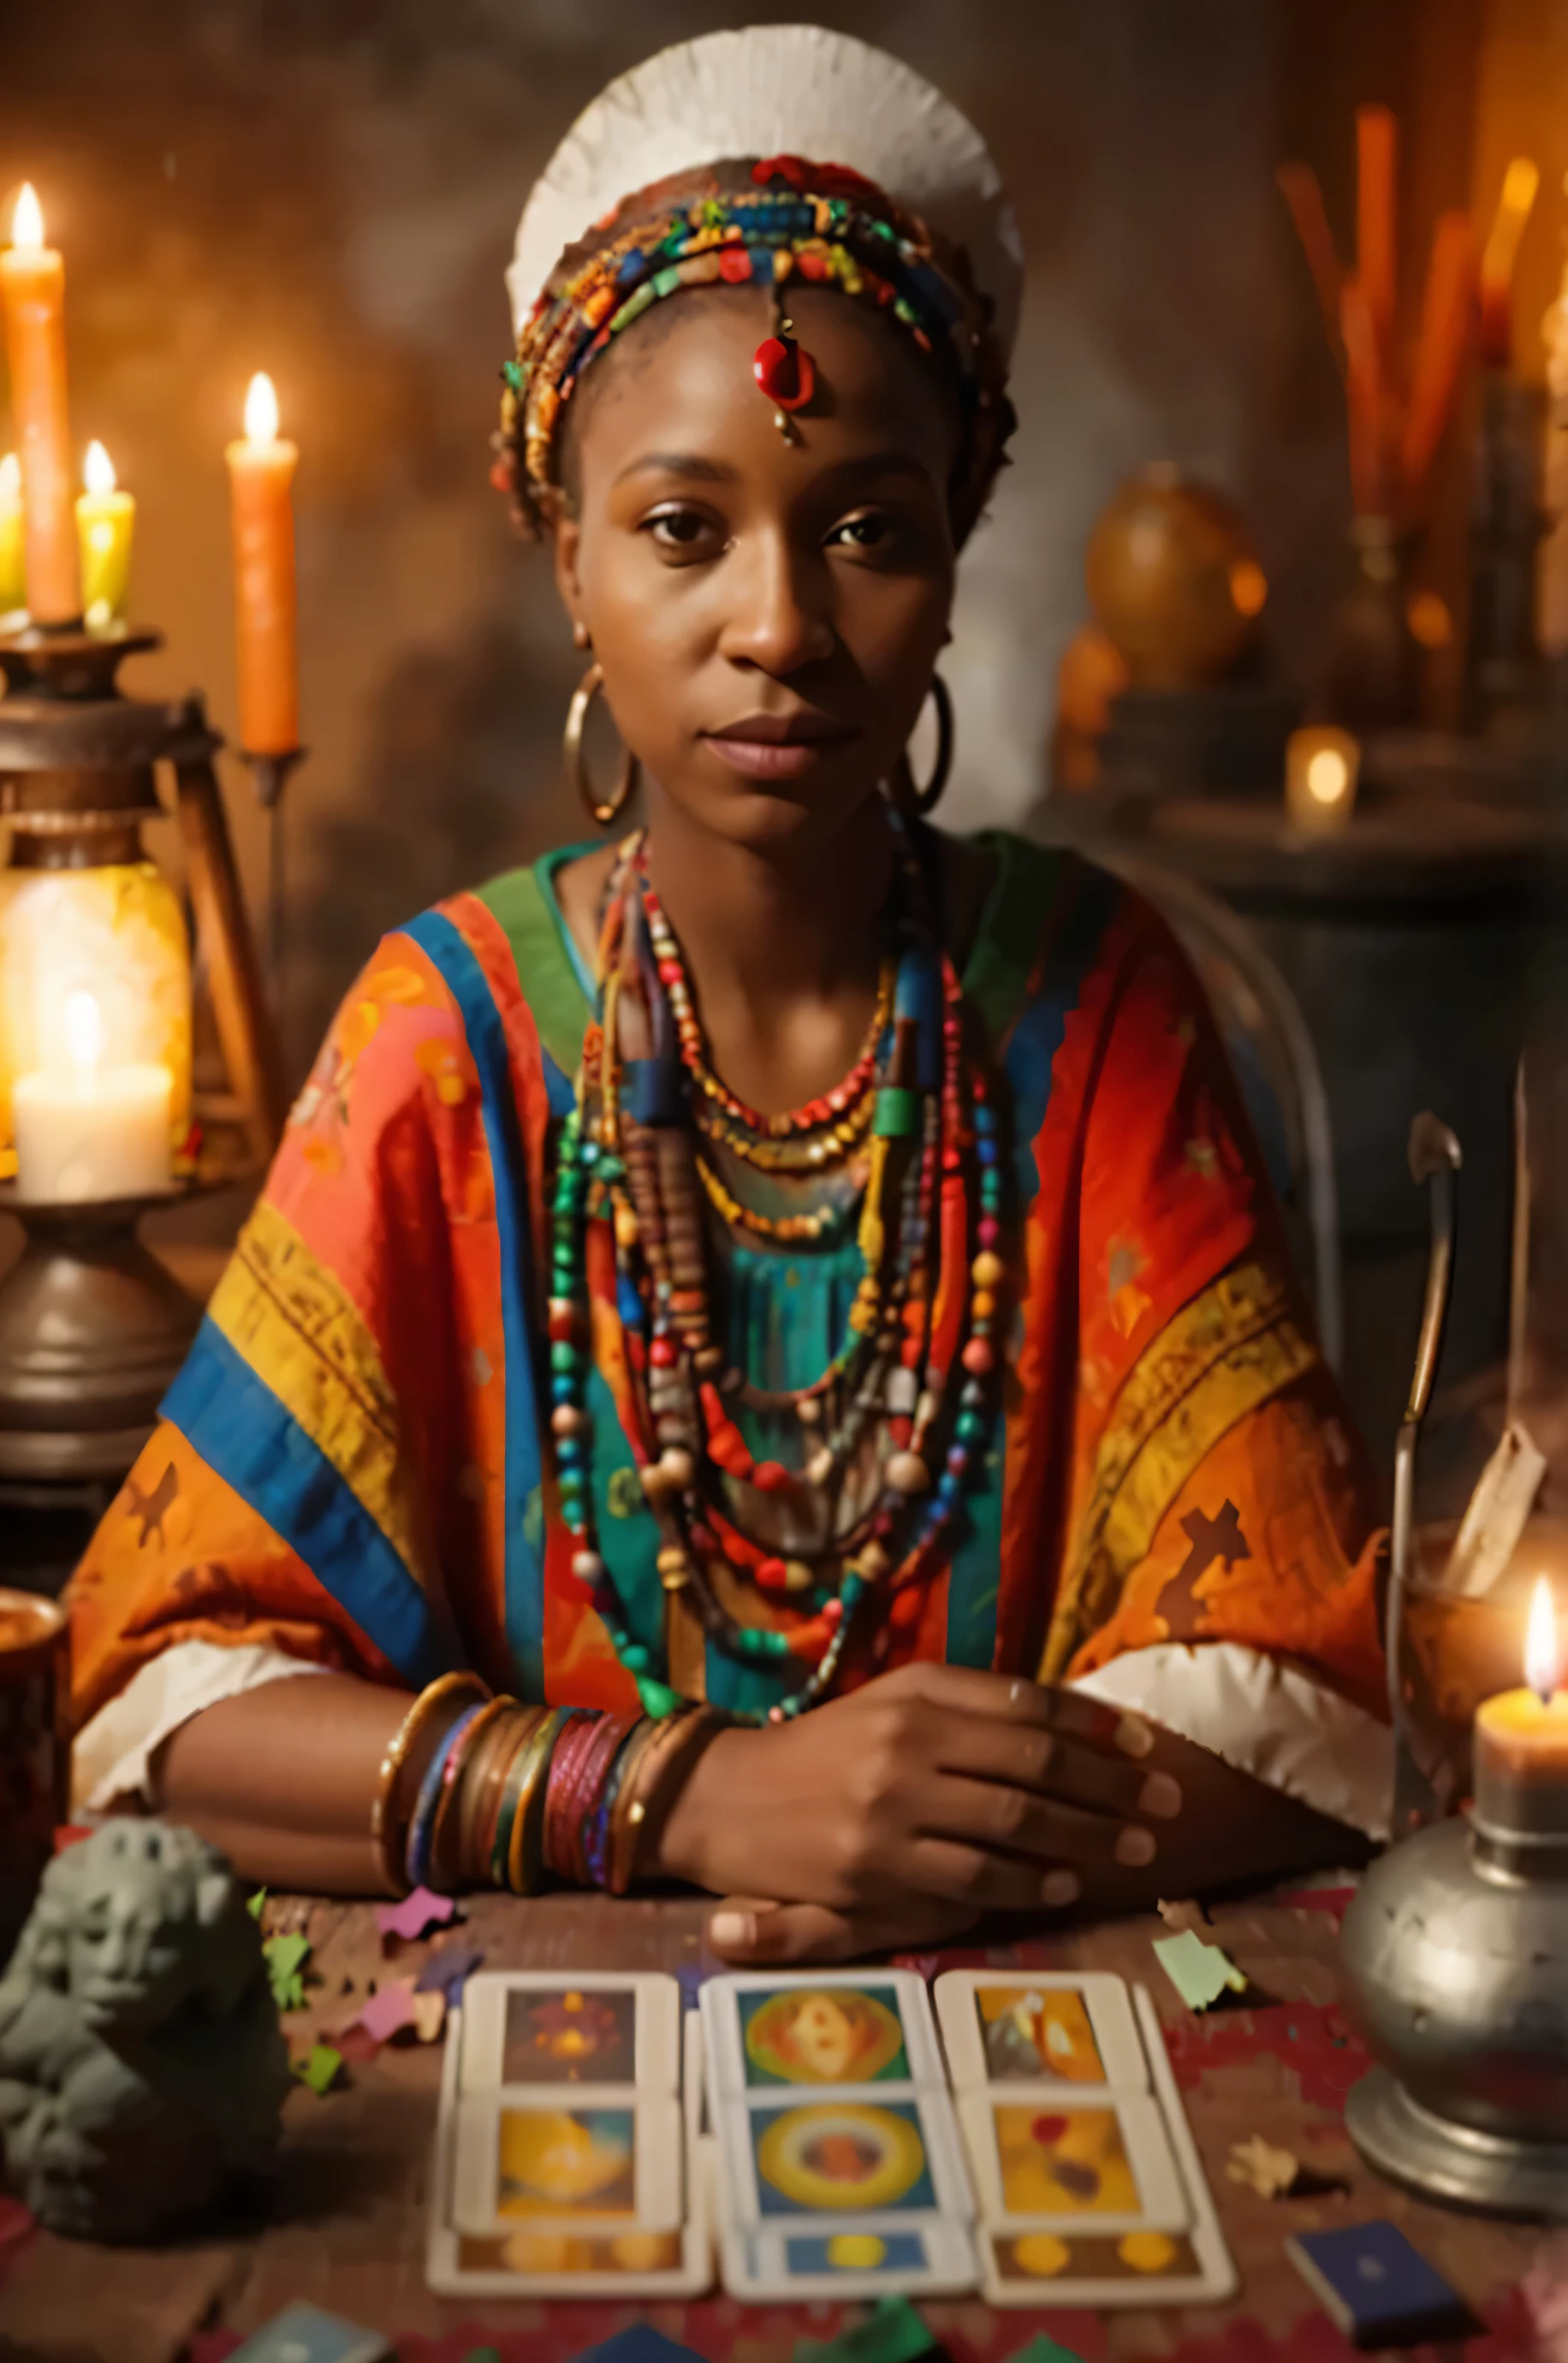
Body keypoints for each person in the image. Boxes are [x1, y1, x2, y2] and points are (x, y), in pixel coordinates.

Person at [65, 27, 1389, 1966]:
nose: (776, 624)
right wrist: (688, 1801)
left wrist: (900, 1845)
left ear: (951, 562)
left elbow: (1316, 1712)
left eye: (868, 526)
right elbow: (154, 1713)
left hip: (1015, 2020)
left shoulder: (1092, 1002)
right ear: (568, 564)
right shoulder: (455, 1033)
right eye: (682, 529)